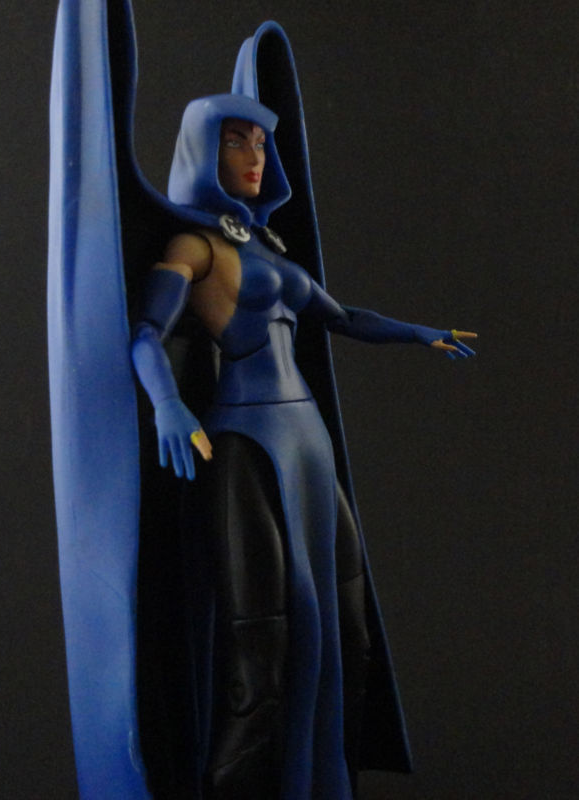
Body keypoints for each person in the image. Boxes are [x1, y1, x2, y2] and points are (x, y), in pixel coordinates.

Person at [130, 93, 476, 800]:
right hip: (246, 444)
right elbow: (145, 336)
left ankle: (321, 784)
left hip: (307, 441)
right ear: (204, 149)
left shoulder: (267, 245)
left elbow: (342, 316)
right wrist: (166, 403)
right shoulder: (195, 247)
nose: (254, 156)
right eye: (236, 141)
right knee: (259, 649)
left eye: (260, 143)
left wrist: (420, 333)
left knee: (349, 635)